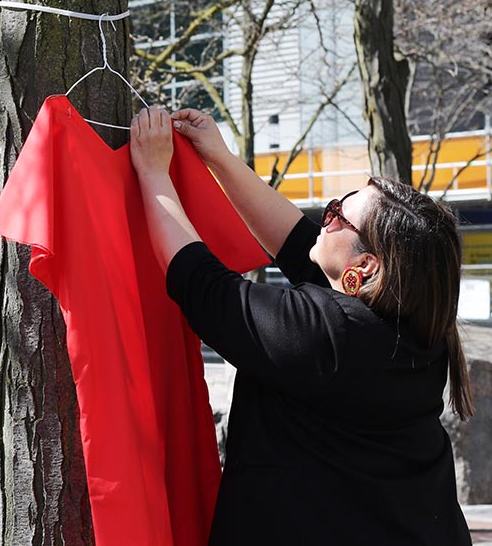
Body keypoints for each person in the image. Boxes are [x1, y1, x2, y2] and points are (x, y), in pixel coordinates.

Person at [128, 106, 474, 545]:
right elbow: (296, 240)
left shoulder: (331, 335)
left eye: (337, 216)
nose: (325, 217)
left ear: (365, 266)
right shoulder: (416, 330)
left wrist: (152, 174)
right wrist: (218, 157)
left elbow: (202, 286)